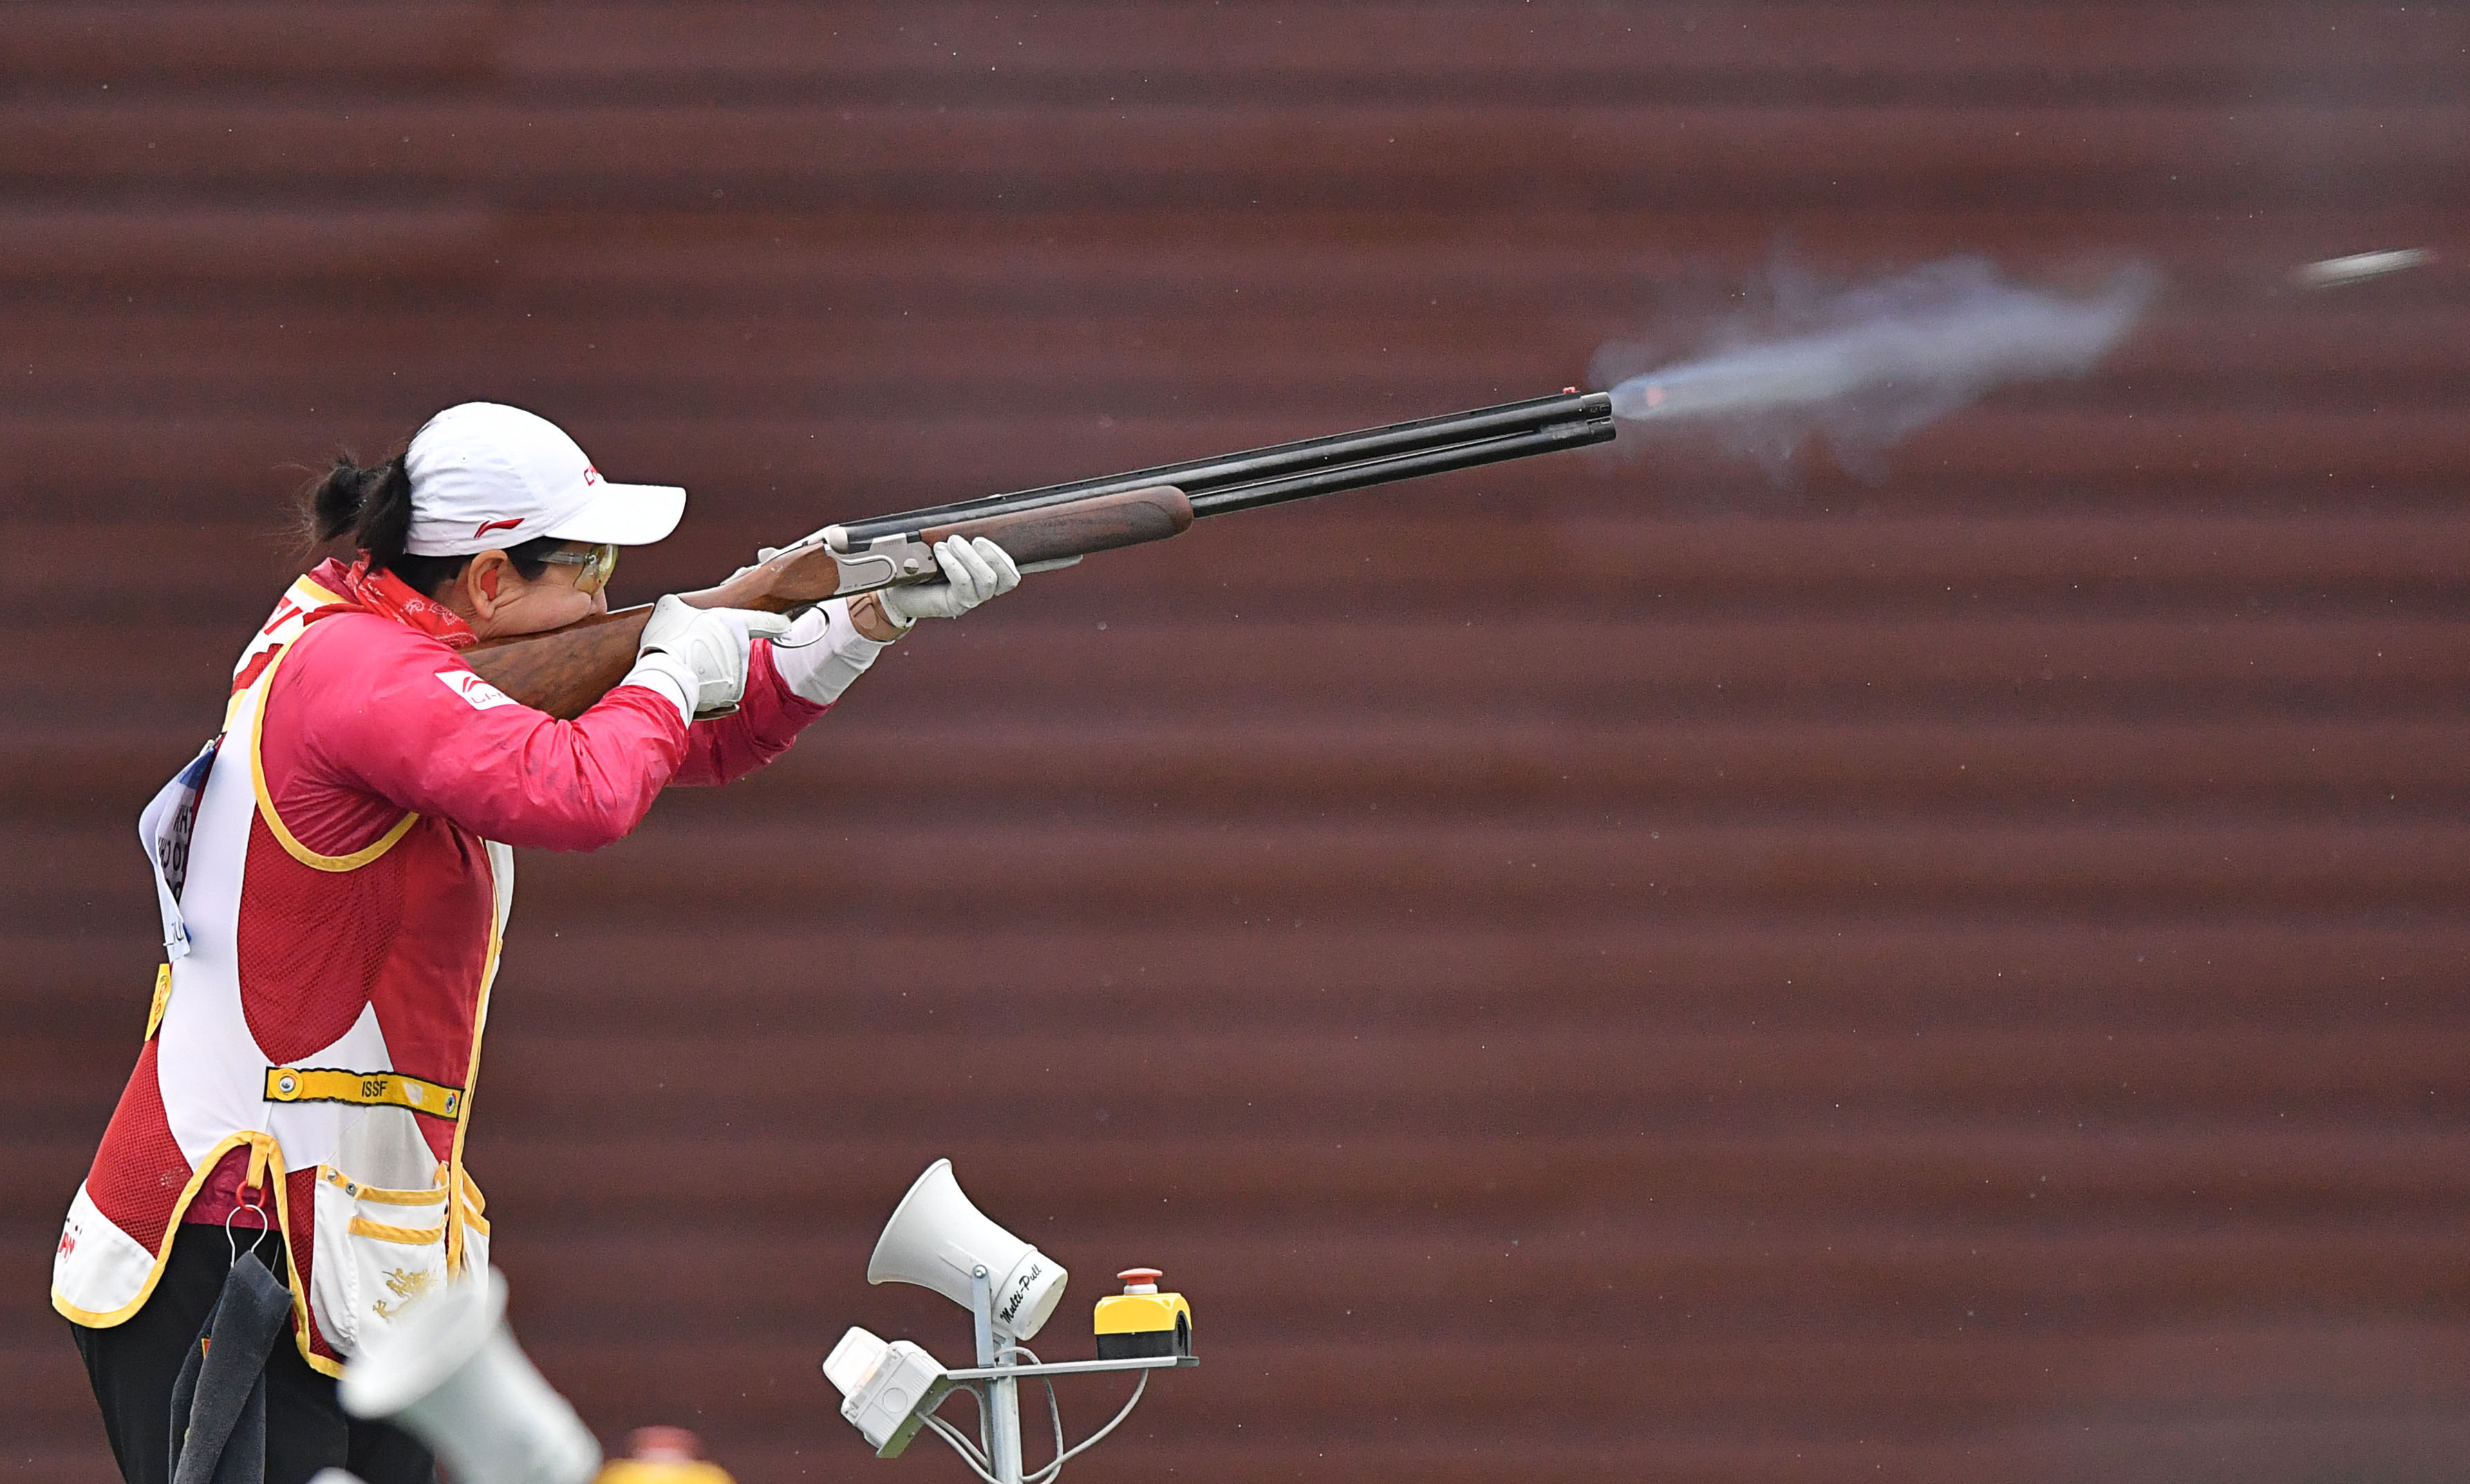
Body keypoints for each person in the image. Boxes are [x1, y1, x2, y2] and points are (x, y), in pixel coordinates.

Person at [51, 402, 1024, 1483]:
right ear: (489, 581)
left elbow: (695, 734)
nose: (610, 598)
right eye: (591, 566)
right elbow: (581, 791)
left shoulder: (390, 641)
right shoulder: (358, 672)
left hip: (341, 1257)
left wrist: (863, 622)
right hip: (235, 1250)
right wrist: (664, 664)